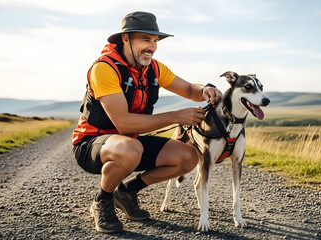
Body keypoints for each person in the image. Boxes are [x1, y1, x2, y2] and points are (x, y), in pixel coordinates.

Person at [72, 11, 222, 233]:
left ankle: (126, 192)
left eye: (154, 41)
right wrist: (176, 116)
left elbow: (190, 89)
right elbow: (124, 124)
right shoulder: (104, 68)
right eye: (145, 39)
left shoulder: (154, 68)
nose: (152, 46)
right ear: (126, 38)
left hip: (129, 143)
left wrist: (206, 88)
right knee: (129, 148)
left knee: (188, 157)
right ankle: (102, 201)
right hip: (91, 144)